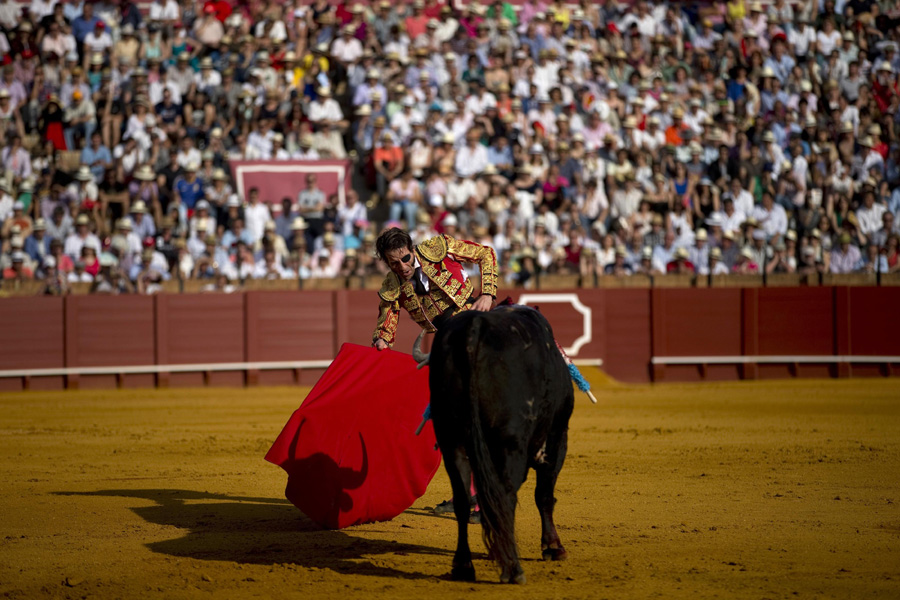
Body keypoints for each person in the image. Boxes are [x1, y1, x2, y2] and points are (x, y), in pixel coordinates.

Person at [372, 227, 497, 350]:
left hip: (472, 315)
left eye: (406, 259)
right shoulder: (391, 286)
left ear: (412, 250)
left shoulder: (439, 248)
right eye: (394, 263)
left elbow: (485, 253)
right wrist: (382, 339)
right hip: (446, 337)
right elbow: (387, 319)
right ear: (387, 263)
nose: (403, 267)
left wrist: (487, 294)